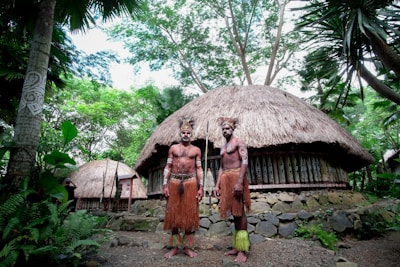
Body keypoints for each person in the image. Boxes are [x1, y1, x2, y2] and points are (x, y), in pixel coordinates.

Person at [162, 117, 204, 259]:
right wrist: (164, 184)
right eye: (183, 132)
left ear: (192, 134)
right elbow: (168, 166)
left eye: (188, 133)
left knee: (189, 215)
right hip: (174, 182)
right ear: (180, 133)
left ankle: (187, 247)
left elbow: (199, 169)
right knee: (174, 215)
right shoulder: (173, 148)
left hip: (191, 183)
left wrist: (201, 187)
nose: (186, 134)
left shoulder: (196, 150)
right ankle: (174, 247)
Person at [213, 117, 251, 263]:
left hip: (236, 178)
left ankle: (243, 250)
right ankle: (237, 246)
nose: (225, 131)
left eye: (227, 128)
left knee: (240, 212)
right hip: (226, 179)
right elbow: (221, 167)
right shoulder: (223, 148)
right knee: (234, 213)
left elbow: (245, 162)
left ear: (233, 129)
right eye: (223, 129)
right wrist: (217, 185)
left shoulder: (239, 142)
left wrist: (240, 182)